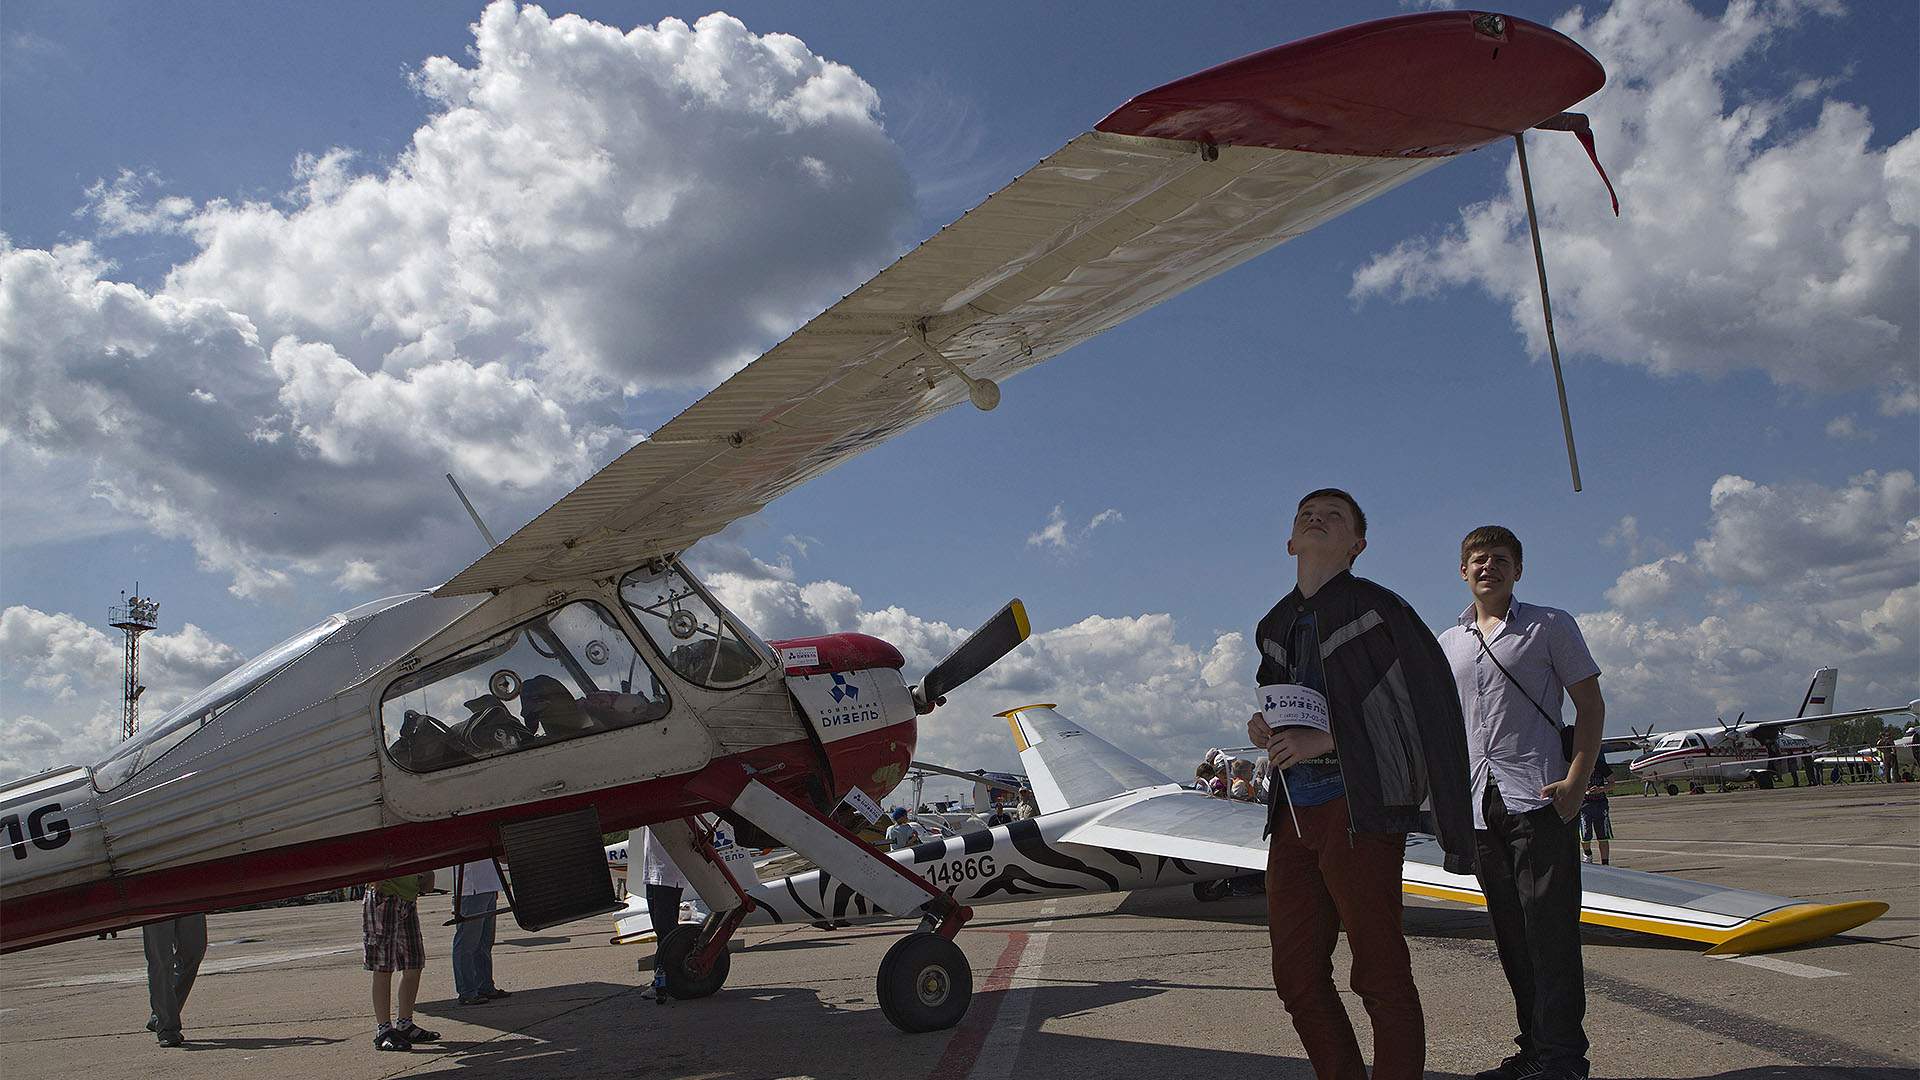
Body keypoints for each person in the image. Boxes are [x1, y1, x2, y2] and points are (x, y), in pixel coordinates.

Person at [1247, 488, 1475, 1080]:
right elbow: (1288, 707)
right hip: (1294, 816)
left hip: (1361, 810)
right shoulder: (1273, 626)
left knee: (1378, 971)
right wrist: (1264, 728)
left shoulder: (1381, 612)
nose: (1317, 519)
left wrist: (1328, 742)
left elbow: (1425, 711)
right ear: (1291, 542)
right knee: (1295, 977)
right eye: (1306, 515)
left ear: (1357, 546)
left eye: (1335, 516)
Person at [1438, 525, 1606, 1080]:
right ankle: (1534, 1050)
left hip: (1537, 798)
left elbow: (1589, 704)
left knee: (1550, 934)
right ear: (1463, 571)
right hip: (1478, 803)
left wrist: (1577, 781)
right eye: (1479, 560)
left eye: (1502, 560)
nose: (1489, 567)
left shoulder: (1549, 625)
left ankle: (1562, 1060)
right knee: (1510, 933)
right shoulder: (1448, 642)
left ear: (1518, 571)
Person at [365, 871, 439, 1052]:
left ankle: (405, 1024)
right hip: (386, 898)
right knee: (383, 967)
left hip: (408, 900)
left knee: (414, 964)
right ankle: (383, 1030)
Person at [142, 913, 207, 1047]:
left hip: (188, 895)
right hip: (154, 899)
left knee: (194, 952)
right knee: (160, 960)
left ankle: (161, 1014)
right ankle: (167, 1028)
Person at [452, 858, 510, 1006]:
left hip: (488, 885)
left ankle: (484, 986)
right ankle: (467, 991)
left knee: (484, 943)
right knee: (467, 944)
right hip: (473, 888)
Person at [1579, 758, 1614, 865]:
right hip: (1584, 805)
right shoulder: (1578, 765)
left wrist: (1600, 789)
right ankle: (1587, 853)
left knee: (1603, 835)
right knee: (1585, 835)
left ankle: (1605, 862)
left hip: (1600, 804)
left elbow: (1612, 783)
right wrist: (1584, 791)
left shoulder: (1600, 764)